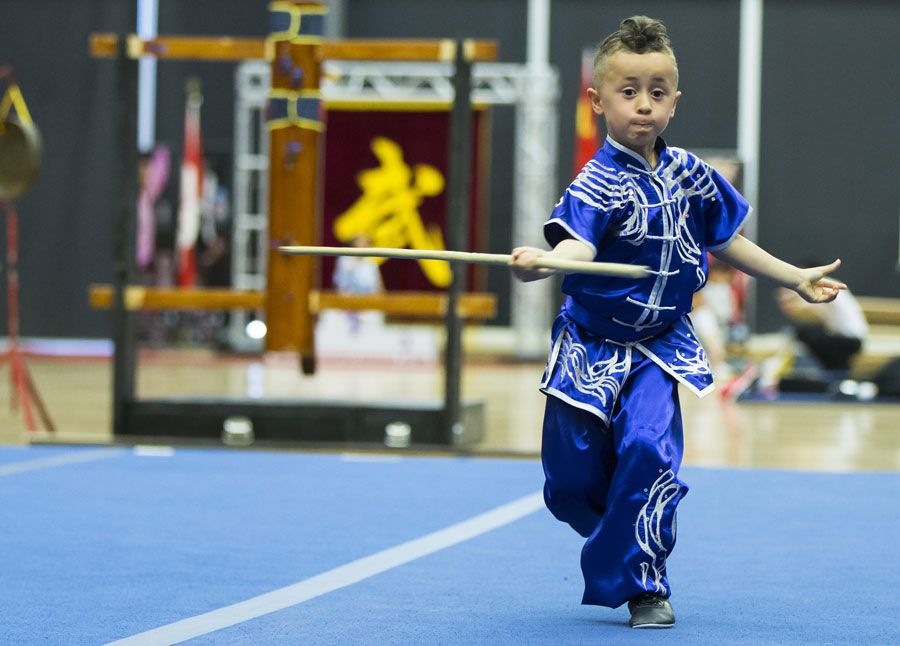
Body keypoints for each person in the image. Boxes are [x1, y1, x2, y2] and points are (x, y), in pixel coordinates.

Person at [510, 16, 845, 629]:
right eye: (628, 91)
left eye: (657, 92)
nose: (644, 105)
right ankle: (620, 528)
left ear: (675, 101)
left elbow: (728, 240)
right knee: (569, 485)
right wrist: (547, 262)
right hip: (589, 346)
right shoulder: (594, 183)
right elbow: (577, 247)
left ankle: (646, 583)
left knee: (648, 452)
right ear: (598, 101)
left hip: (658, 347)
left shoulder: (691, 174)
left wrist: (794, 276)